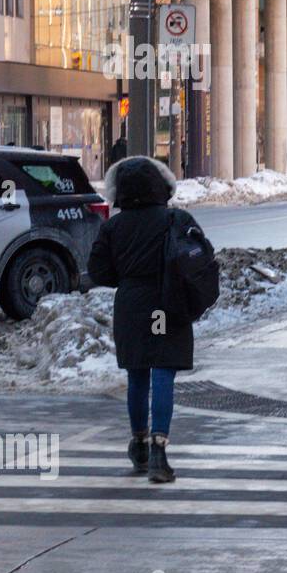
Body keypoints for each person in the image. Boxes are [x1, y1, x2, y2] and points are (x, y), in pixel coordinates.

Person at [87, 156, 204, 483]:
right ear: (160, 186)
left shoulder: (113, 226)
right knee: (163, 372)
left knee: (137, 374)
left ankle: (138, 444)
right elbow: (200, 259)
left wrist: (127, 278)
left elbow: (97, 271)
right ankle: (159, 452)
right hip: (168, 301)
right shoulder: (175, 219)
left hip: (131, 305)